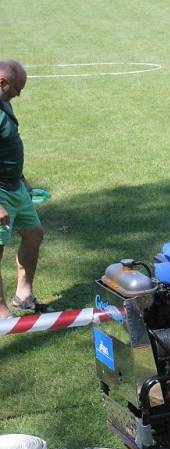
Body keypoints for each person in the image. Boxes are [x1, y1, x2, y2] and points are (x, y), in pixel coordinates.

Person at [0, 59, 49, 319]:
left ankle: (23, 296)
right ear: (2, 82)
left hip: (14, 185)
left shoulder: (3, 103)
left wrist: (22, 177)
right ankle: (0, 313)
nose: (19, 93)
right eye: (17, 88)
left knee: (34, 234)